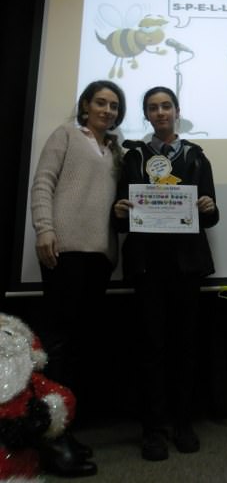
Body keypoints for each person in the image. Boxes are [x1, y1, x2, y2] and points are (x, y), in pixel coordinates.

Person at [113, 85, 219, 461]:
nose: (160, 113)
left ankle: (183, 423)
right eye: (153, 108)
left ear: (177, 111)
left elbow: (212, 216)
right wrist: (119, 211)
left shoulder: (196, 156)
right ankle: (153, 428)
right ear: (146, 115)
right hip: (148, 266)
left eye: (166, 106)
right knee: (151, 347)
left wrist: (207, 207)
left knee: (185, 346)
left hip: (186, 266)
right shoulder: (134, 157)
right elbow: (122, 218)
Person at [30, 79, 126, 476]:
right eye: (100, 102)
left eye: (114, 106)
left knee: (81, 346)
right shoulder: (66, 134)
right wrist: (44, 229)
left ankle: (64, 431)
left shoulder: (116, 151)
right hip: (64, 251)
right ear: (85, 105)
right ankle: (50, 441)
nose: (107, 110)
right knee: (58, 347)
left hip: (99, 256)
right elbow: (43, 182)